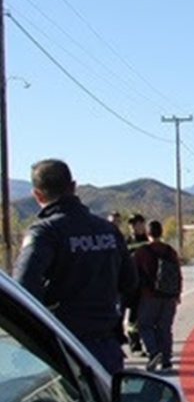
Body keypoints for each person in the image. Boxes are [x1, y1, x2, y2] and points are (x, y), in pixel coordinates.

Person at [14, 159, 136, 373]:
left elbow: (21, 291)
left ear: (38, 195)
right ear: (73, 187)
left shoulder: (45, 232)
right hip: (106, 343)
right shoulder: (108, 230)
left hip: (64, 345)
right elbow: (130, 282)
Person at [133, 220, 182, 370]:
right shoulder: (170, 251)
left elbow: (133, 273)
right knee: (165, 327)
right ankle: (166, 359)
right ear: (161, 232)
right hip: (168, 295)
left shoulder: (142, 252)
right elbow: (177, 273)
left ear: (147, 233)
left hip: (149, 295)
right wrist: (177, 293)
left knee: (145, 325)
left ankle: (154, 352)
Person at [123, 213, 149, 353]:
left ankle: (151, 344)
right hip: (132, 284)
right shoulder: (125, 241)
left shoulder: (149, 240)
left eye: (136, 224)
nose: (134, 227)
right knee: (133, 317)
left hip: (147, 283)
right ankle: (135, 343)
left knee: (147, 315)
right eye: (132, 224)